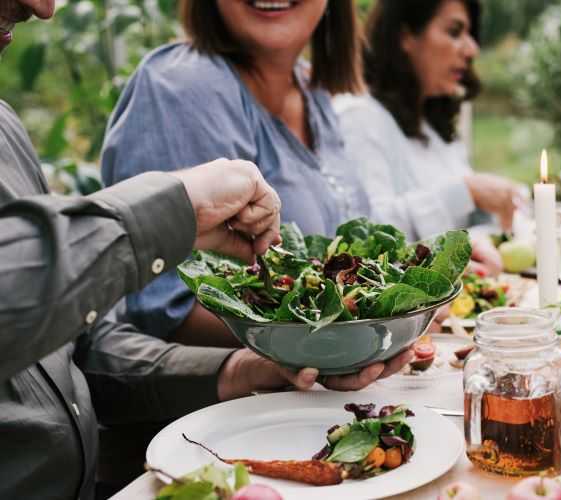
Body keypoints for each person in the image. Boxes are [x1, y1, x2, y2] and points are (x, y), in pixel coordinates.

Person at [0, 2, 411, 499]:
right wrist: (172, 211)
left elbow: (75, 351)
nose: (44, 7)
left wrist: (246, 368)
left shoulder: (6, 130)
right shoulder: (183, 85)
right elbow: (155, 309)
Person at [101, 0, 372, 347]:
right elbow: (167, 311)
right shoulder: (186, 84)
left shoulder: (310, 88)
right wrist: (342, 334)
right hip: (226, 399)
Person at [335, 0, 525, 276]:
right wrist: (467, 191)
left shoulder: (433, 126)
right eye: (454, 31)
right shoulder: (358, 117)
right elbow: (364, 235)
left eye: (470, 35)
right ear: (405, 36)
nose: (472, 49)